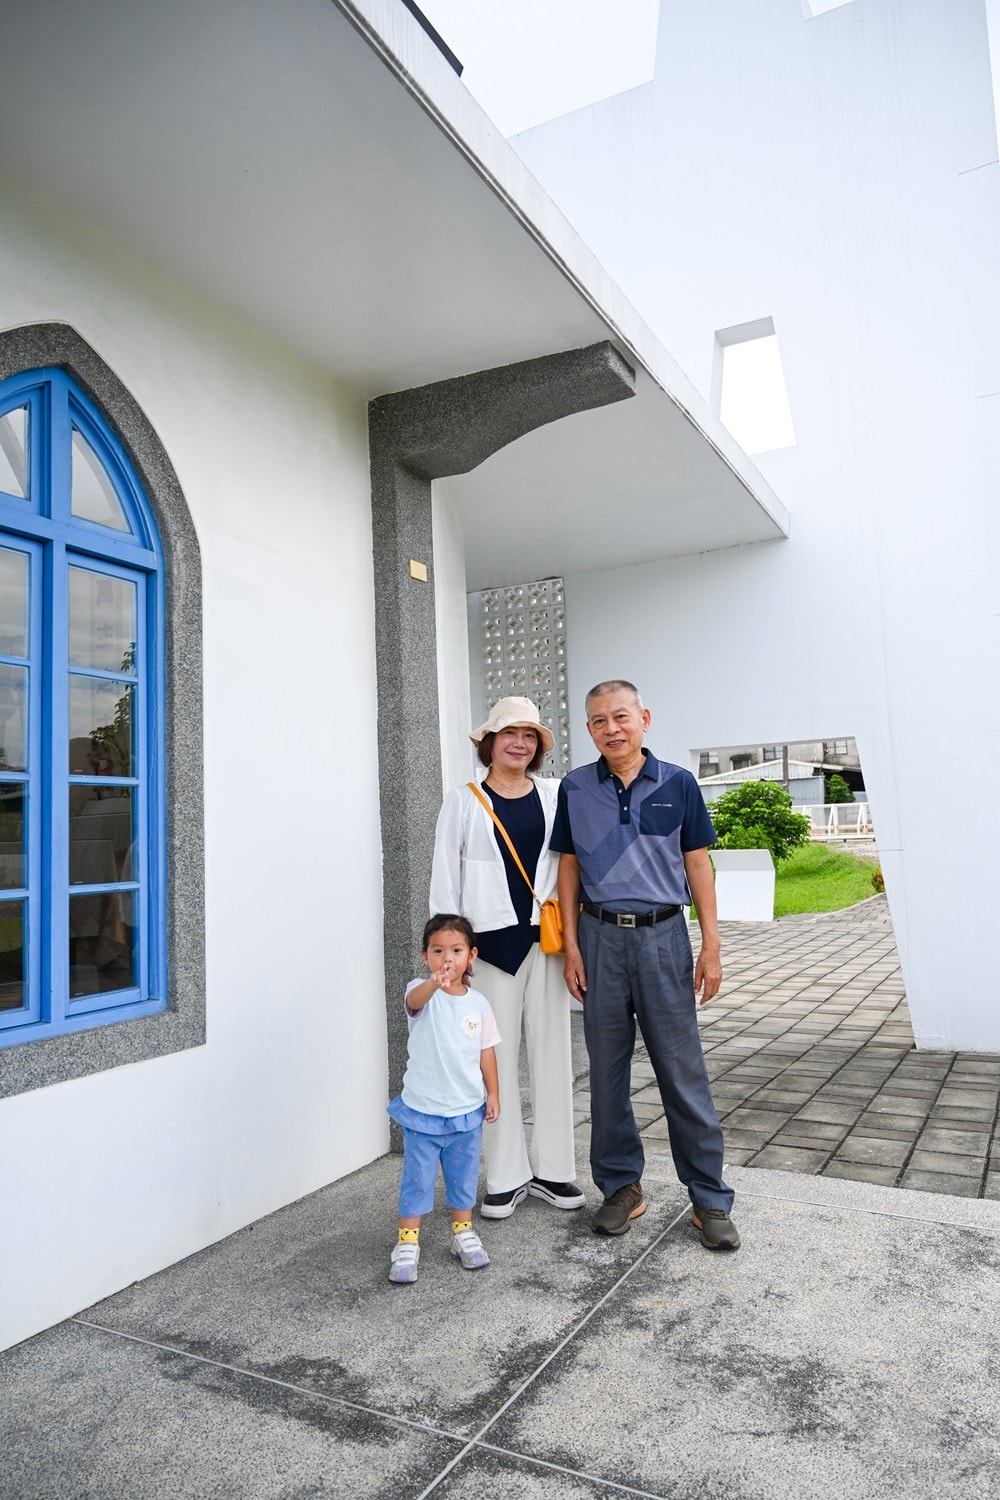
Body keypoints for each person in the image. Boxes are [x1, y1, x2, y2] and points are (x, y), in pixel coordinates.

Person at [552, 680, 739, 1250]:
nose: (611, 728)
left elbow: (699, 865)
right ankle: (621, 1188)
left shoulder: (679, 784)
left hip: (663, 940)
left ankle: (709, 1199)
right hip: (599, 940)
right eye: (598, 721)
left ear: (644, 719)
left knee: (682, 1074)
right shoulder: (576, 787)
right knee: (605, 1074)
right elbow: (569, 869)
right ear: (588, 730)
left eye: (621, 717)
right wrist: (573, 948)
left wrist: (711, 945)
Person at [430, 697, 584, 1220]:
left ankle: (555, 1169)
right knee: (491, 1062)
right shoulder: (463, 800)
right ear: (489, 742)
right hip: (488, 949)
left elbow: (570, 865)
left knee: (553, 1053)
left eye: (529, 736)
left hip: (548, 942)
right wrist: (449, 957)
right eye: (508, 733)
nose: (519, 743)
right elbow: (444, 881)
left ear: (538, 747)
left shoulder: (557, 794)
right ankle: (505, 1176)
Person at [386, 914, 500, 1285]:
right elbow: (415, 1001)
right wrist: (432, 985)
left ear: (471, 956)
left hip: (466, 1110)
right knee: (417, 1178)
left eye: (455, 950)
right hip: (424, 1110)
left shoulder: (479, 1004)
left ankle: (462, 1232)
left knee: (463, 1175)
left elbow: (486, 1053)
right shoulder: (420, 992)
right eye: (438, 951)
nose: (446, 958)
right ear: (425, 956)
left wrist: (493, 1092)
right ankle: (407, 1241)